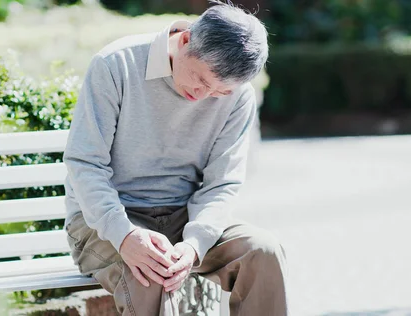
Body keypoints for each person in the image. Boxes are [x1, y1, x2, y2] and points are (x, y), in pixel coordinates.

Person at [62, 1, 288, 315]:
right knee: (150, 274)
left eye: (220, 92)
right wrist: (125, 235)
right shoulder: (116, 64)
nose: (205, 96)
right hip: (105, 222)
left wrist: (195, 244)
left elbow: (222, 183)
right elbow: (84, 163)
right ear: (184, 41)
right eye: (201, 79)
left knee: (263, 250)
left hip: (185, 221)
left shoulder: (238, 95)